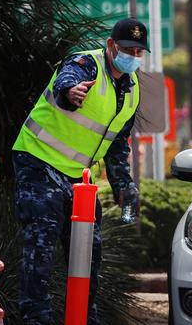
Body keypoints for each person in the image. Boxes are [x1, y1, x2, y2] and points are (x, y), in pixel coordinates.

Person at [11, 18, 148, 324]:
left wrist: (124, 188)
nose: (133, 56)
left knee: (89, 250)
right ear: (111, 45)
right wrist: (70, 92)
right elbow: (66, 80)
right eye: (127, 49)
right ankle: (36, 318)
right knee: (41, 246)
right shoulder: (86, 63)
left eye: (138, 52)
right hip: (38, 163)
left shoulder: (132, 88)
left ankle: (84, 317)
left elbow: (117, 145)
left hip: (78, 179)